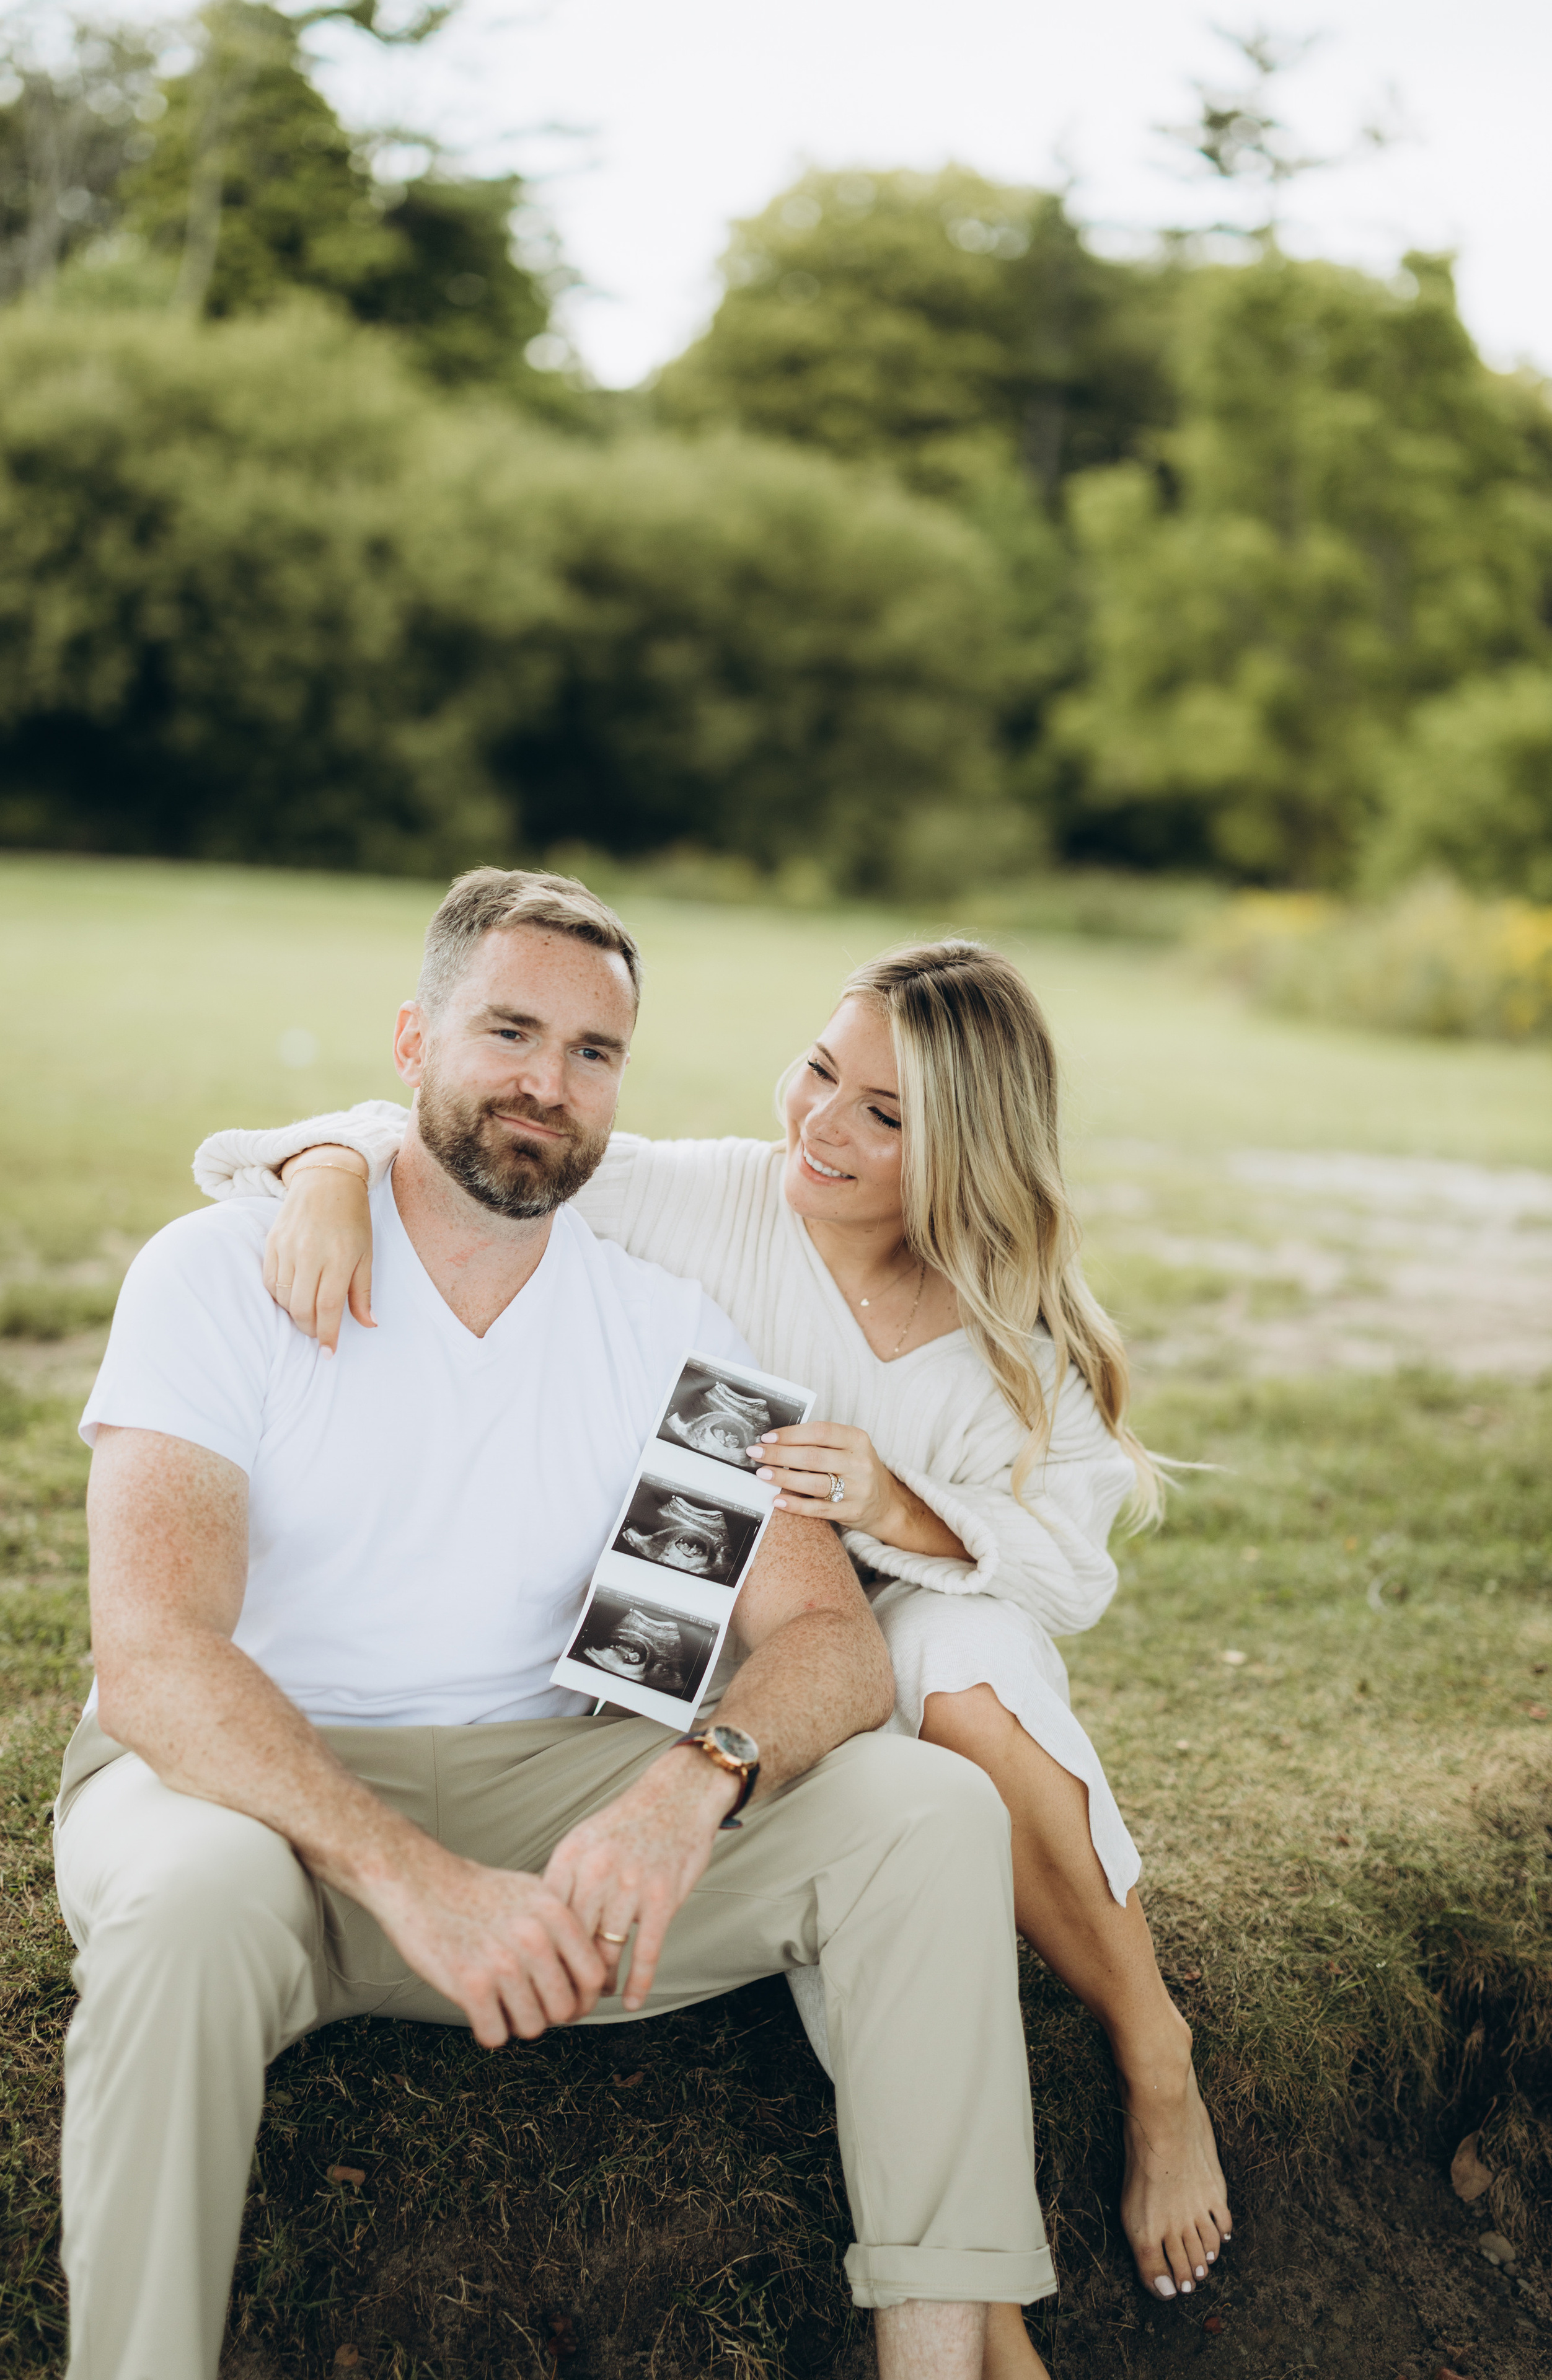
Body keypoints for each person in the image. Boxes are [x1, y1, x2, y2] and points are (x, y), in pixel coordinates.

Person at [60, 870, 1057, 2380]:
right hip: (251, 1797)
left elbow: (829, 1644)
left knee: (921, 1810)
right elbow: (152, 1658)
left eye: (593, 1053)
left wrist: (689, 1782)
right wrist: (413, 1879)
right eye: (509, 1031)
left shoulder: (666, 1329)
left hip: (558, 1806)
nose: (548, 1083)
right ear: (411, 1043)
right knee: (186, 1905)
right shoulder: (219, 1275)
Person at [200, 914, 1235, 2311]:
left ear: (968, 1149)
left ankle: (1152, 2052)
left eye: (883, 1115)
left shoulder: (1013, 1323)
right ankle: (976, 2327)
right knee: (828, 1796)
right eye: (816, 1072)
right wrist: (320, 1165)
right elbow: (481, 1126)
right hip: (712, 1656)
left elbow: (1068, 1578)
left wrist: (892, 1509)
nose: (822, 1125)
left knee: (959, 1663)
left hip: (923, 1623)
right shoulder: (699, 1197)